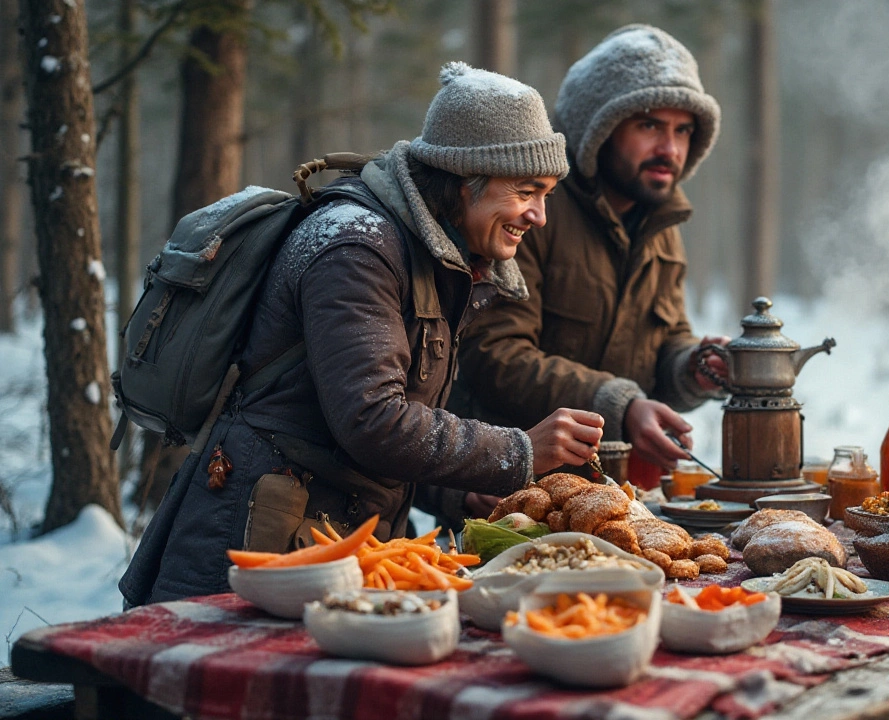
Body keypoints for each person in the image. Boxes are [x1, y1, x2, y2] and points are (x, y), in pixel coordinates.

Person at [120, 62, 604, 605]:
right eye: (527, 190)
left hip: (332, 539)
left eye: (547, 195)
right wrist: (519, 451)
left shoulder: (437, 256)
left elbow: (374, 422)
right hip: (257, 541)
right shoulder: (358, 247)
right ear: (465, 178)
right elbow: (371, 420)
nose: (538, 215)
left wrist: (457, 490)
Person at [445, 24, 729, 525]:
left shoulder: (661, 224)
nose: (671, 149)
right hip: (512, 501)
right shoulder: (532, 210)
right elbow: (493, 353)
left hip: (614, 504)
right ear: (598, 128)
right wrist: (620, 403)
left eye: (683, 130)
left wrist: (693, 367)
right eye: (650, 126)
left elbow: (668, 337)